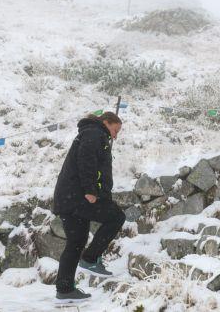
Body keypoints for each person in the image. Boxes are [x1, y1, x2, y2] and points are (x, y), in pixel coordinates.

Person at [53, 112, 125, 304]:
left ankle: (65, 289)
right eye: (115, 130)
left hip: (68, 198)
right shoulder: (94, 133)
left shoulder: (90, 132)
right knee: (117, 217)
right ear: (106, 122)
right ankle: (91, 259)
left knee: (76, 241)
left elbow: (98, 169)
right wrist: (90, 190)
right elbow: (86, 161)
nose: (115, 136)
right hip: (79, 197)